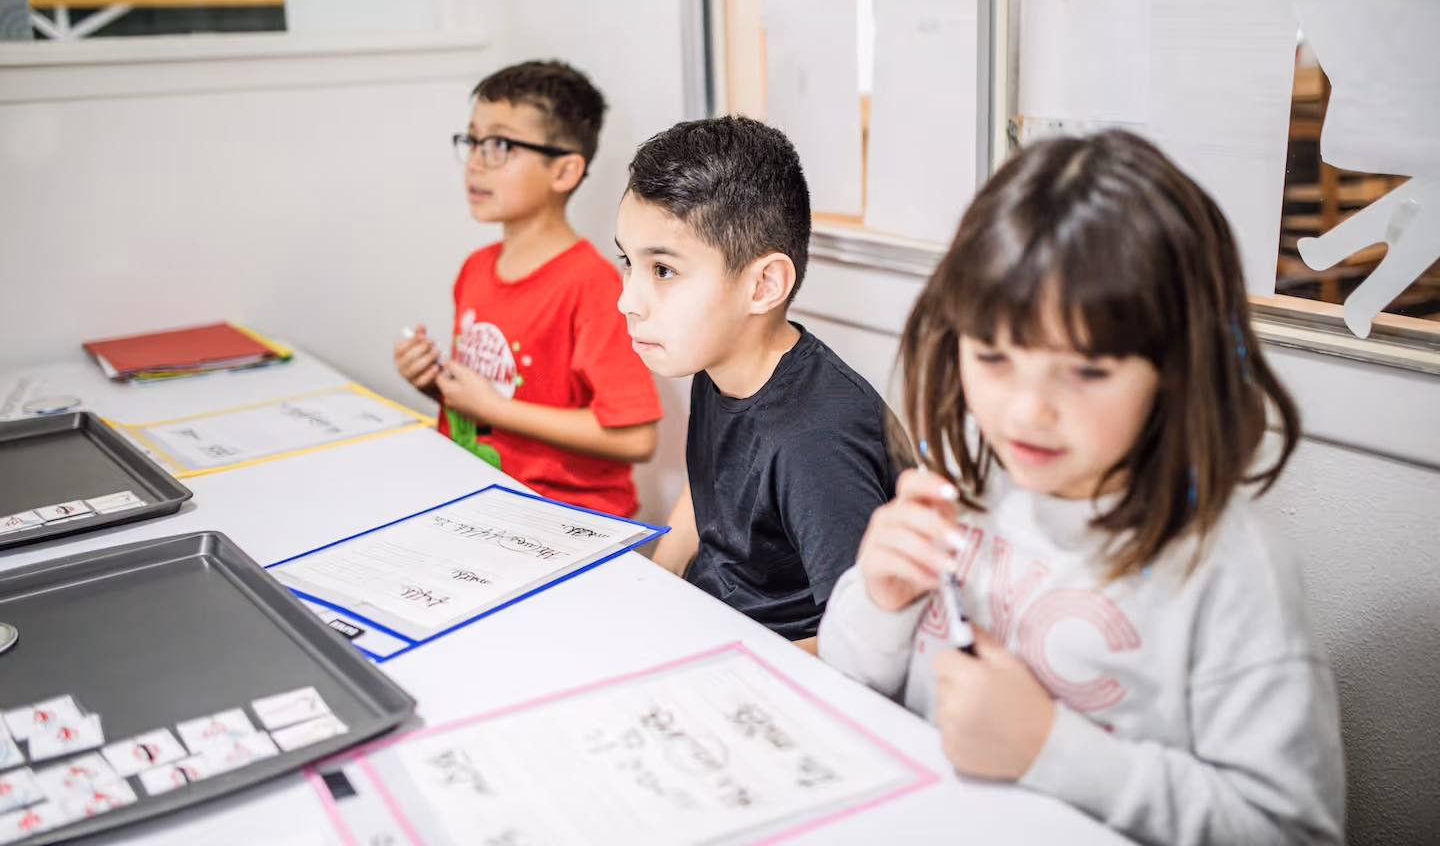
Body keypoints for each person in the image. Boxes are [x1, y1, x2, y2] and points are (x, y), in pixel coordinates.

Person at [819, 130, 1344, 844]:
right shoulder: (969, 493)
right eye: (994, 356)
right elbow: (847, 688)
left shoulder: (1231, 569)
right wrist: (878, 600)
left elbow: (1291, 829)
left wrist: (1050, 750)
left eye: (1087, 371)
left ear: (1176, 367)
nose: (1026, 410)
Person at [615, 116, 898, 650]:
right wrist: (650, 590)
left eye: (664, 271)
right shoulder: (719, 362)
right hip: (708, 623)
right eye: (628, 262)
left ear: (764, 284)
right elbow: (707, 496)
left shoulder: (815, 440)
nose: (627, 301)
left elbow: (863, 642)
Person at [394, 60, 660, 517]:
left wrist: (494, 408)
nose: (476, 161)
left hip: (560, 517)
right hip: (477, 497)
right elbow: (502, 398)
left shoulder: (591, 285)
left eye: (498, 144)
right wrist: (437, 384)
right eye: (473, 140)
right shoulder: (475, 270)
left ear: (564, 172)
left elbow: (637, 437)